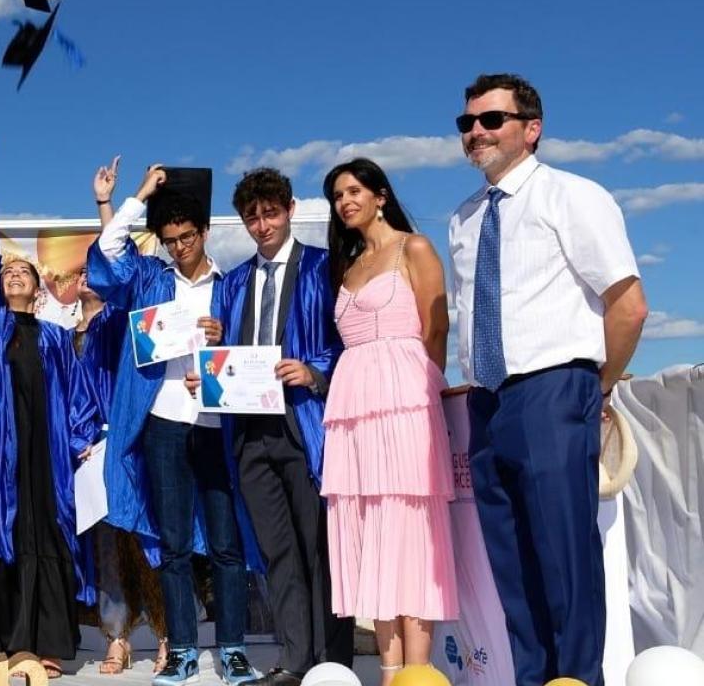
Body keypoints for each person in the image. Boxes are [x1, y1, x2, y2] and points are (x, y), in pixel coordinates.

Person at [448, 74, 646, 686]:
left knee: (565, 558)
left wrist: (596, 386)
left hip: (553, 388)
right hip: (486, 401)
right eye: (467, 122)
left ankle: (580, 679)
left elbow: (628, 304)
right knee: (511, 564)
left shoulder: (573, 196)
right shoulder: (463, 219)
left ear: (531, 129)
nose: (476, 131)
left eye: (492, 119)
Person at [88, 159, 259, 685]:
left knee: (227, 544)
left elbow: (251, 354)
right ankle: (182, 647)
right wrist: (134, 195)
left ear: (204, 232)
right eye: (169, 240)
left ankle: (232, 648)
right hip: (162, 421)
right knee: (174, 545)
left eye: (187, 237)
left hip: (212, 424)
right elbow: (109, 251)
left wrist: (223, 340)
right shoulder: (149, 278)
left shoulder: (231, 285)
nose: (180, 247)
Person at [320, 158, 457, 685]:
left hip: (405, 402)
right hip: (354, 409)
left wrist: (425, 395)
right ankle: (389, 671)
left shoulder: (413, 247)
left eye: (354, 191)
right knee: (372, 534)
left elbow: (436, 328)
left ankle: (418, 673)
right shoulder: (348, 265)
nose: (345, 202)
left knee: (410, 531)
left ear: (380, 196)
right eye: (337, 196)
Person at [220, 167, 352, 686]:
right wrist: (208, 374)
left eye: (270, 213)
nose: (262, 225)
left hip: (304, 425)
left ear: (290, 209)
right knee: (278, 551)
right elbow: (223, 355)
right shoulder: (233, 282)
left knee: (320, 547)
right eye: (252, 217)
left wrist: (314, 373)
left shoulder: (323, 267)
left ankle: (332, 659)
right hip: (250, 432)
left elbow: (348, 339)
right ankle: (296, 660)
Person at [0, 160, 91, 677]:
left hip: (49, 453)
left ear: (37, 288)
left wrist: (79, 438)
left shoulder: (55, 337)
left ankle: (50, 644)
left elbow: (76, 394)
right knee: (10, 535)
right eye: (8, 273)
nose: (13, 275)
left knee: (49, 535)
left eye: (23, 272)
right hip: (5, 450)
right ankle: (18, 644)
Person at [67, 260, 169, 677]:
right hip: (91, 452)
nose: (87, 277)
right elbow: (63, 397)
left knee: (148, 539)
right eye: (81, 273)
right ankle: (117, 637)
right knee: (106, 546)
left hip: (132, 441)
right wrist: (78, 440)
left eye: (95, 271)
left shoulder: (124, 320)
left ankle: (168, 634)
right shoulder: (64, 338)